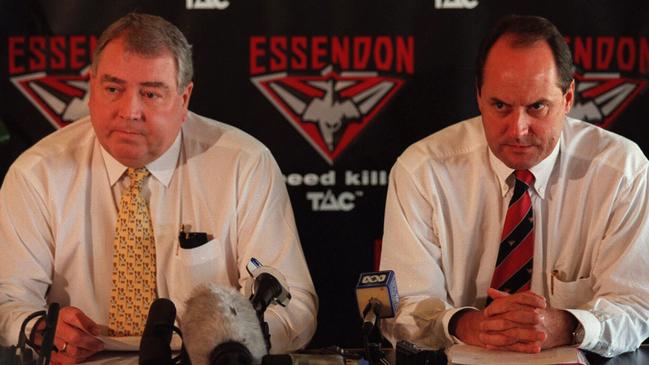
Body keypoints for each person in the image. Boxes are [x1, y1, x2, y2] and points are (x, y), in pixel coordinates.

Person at [0, 13, 317, 363]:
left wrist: (237, 344)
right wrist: (38, 328)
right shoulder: (37, 173)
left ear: (184, 100)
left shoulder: (244, 164)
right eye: (113, 89)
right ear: (91, 89)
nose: (129, 111)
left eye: (150, 93)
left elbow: (294, 304)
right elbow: (8, 298)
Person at [380, 14, 649, 358]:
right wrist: (464, 324)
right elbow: (401, 307)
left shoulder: (622, 171)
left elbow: (638, 305)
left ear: (568, 98)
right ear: (478, 96)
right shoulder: (422, 170)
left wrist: (568, 325)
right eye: (500, 106)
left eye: (537, 107)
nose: (518, 129)